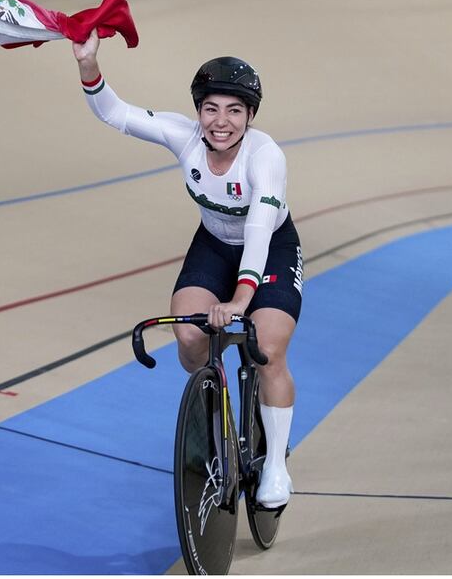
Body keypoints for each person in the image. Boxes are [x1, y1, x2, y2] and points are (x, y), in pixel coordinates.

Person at [72, 30, 302, 508]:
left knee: (269, 348)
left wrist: (240, 301)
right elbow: (116, 113)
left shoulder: (266, 158)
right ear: (198, 111)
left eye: (235, 111)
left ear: (250, 117)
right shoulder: (185, 137)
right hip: (215, 245)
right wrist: (88, 64)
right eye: (212, 109)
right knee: (191, 335)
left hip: (271, 247)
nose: (221, 122)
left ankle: (276, 464)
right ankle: (214, 407)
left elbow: (258, 233)